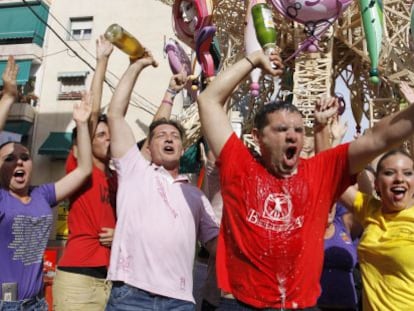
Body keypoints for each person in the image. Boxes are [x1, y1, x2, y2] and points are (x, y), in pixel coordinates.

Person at [196, 49, 414, 309]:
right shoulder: (239, 164)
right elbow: (208, 100)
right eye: (281, 129)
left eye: (298, 129)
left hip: (300, 305)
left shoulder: (320, 171)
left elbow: (380, 138)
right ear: (257, 137)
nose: (292, 136)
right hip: (241, 304)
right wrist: (254, 59)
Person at [104, 50, 219, 310]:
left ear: (182, 146)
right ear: (148, 148)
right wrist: (138, 65)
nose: (169, 138)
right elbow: (115, 116)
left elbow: (215, 243)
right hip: (131, 296)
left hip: (179, 301)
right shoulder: (135, 171)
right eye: (161, 136)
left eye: (175, 136)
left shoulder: (196, 196)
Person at [0, 56, 92, 310]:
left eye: (25, 157)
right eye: (9, 158)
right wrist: (8, 97)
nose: (19, 162)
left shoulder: (42, 195)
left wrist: (82, 125)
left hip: (37, 304)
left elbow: (84, 169)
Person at [52, 36, 116, 311]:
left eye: (109, 134)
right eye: (100, 135)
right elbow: (92, 115)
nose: (108, 138)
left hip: (110, 281)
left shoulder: (117, 179)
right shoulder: (80, 170)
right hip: (77, 278)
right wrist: (102, 60)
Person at [340, 149, 414, 310]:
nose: (399, 179)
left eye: (408, 173)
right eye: (389, 173)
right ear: (377, 184)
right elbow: (330, 175)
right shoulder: (370, 210)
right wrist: (321, 131)